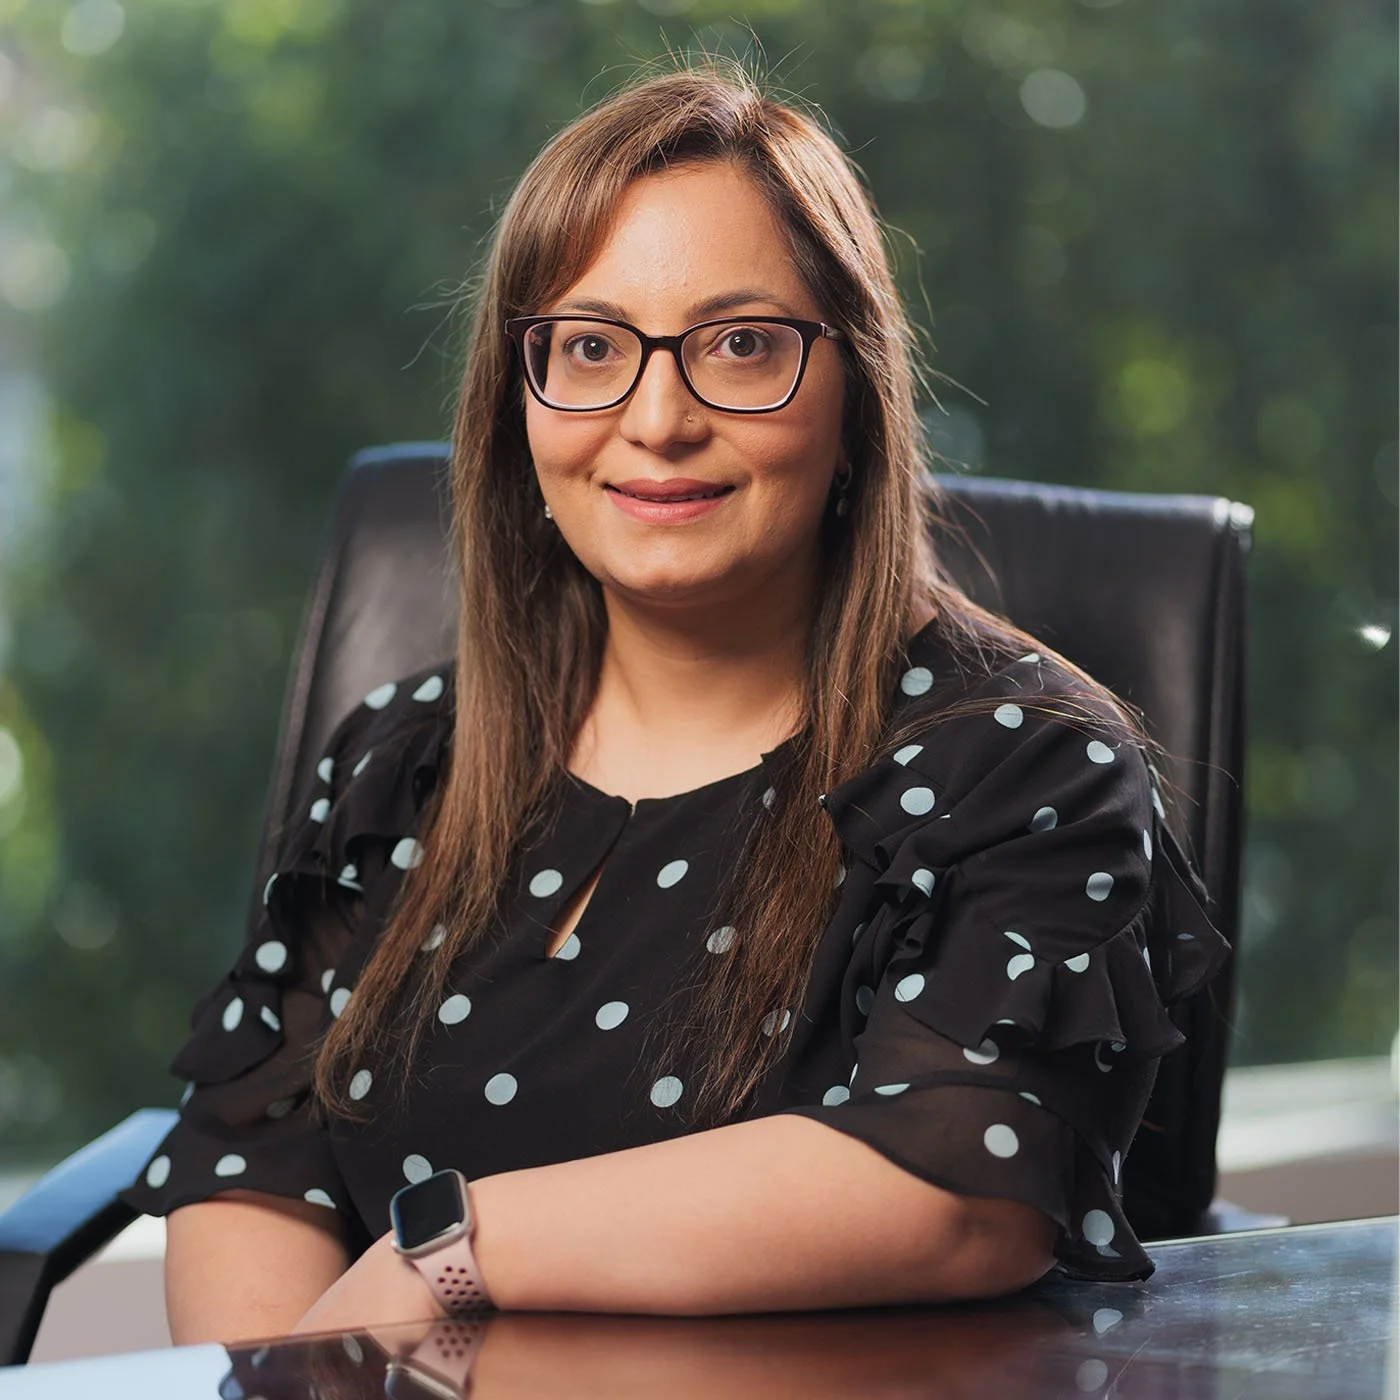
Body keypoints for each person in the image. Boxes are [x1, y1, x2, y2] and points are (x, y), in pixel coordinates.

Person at [121, 63, 1227, 1345]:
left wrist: (455, 1250)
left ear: (857, 390)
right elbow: (250, 1155)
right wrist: (298, 1379)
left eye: (740, 343)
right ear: (517, 400)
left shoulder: (1021, 765)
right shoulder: (402, 763)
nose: (656, 419)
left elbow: (961, 1189)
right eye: (590, 346)